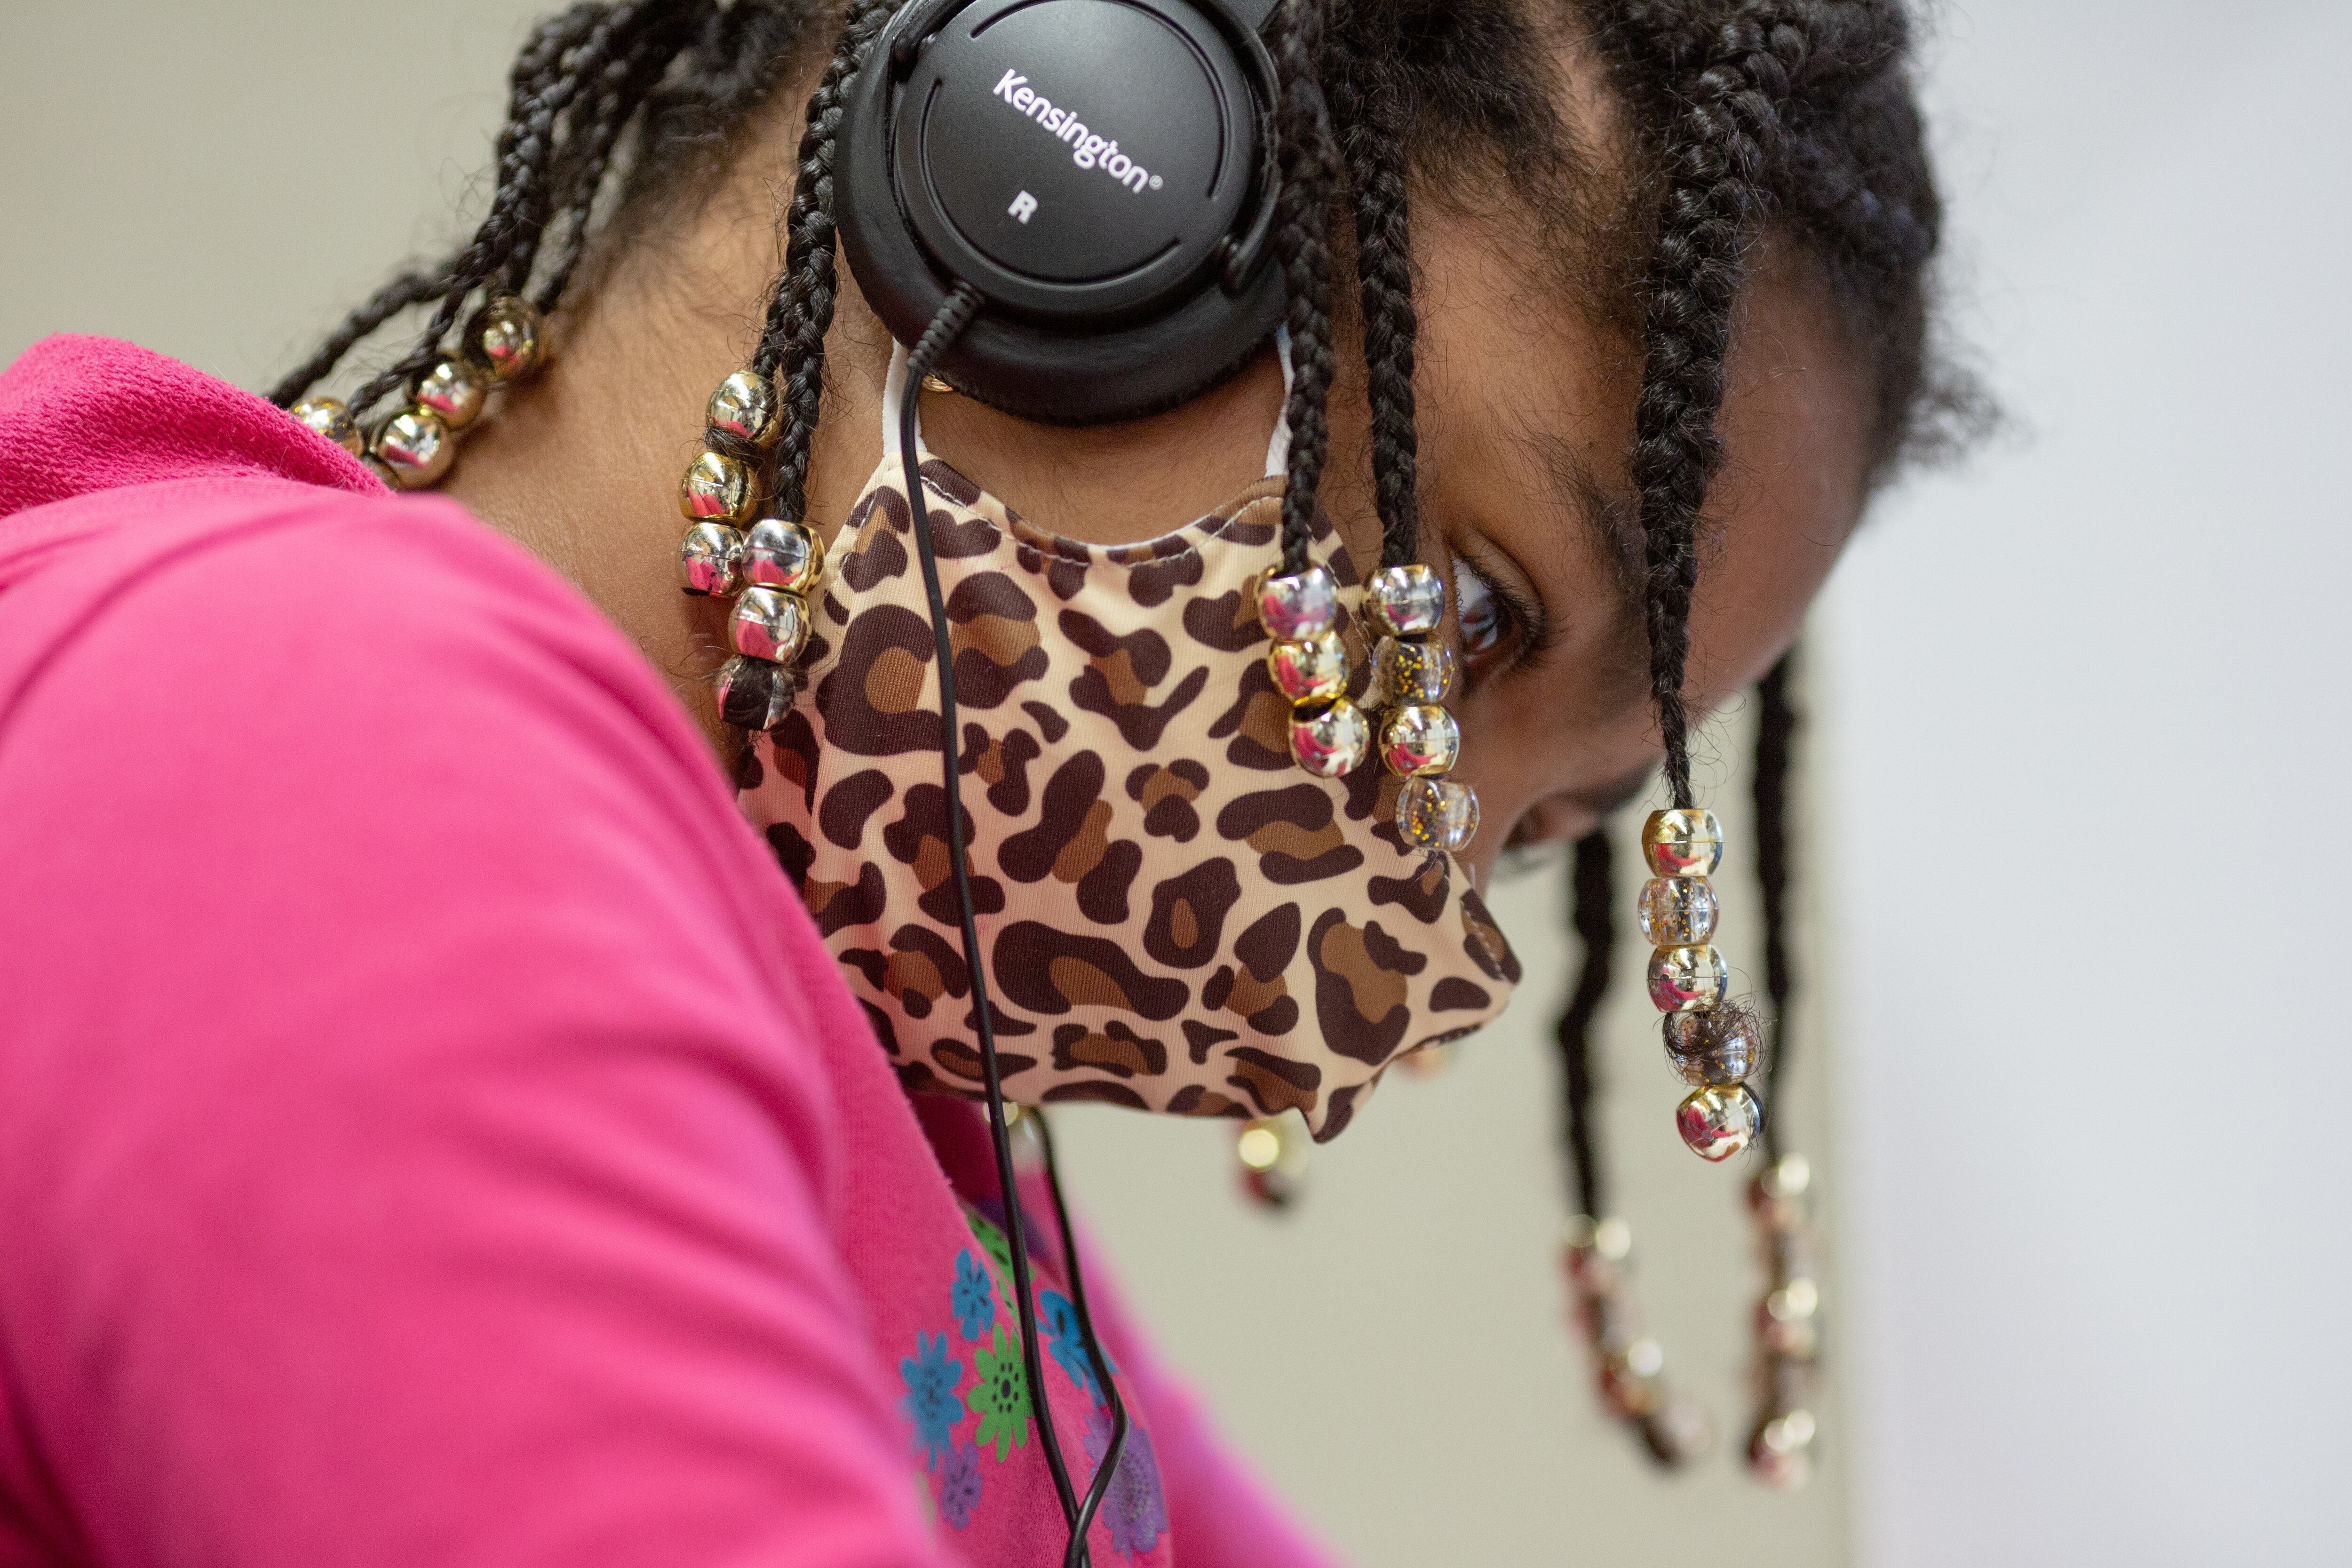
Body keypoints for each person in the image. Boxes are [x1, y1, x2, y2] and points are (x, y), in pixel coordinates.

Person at [0, 1, 1963, 1564]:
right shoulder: (323, 766)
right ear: (1059, 156)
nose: (1407, 946)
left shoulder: (927, 1142)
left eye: (1535, 834)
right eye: (1464, 615)